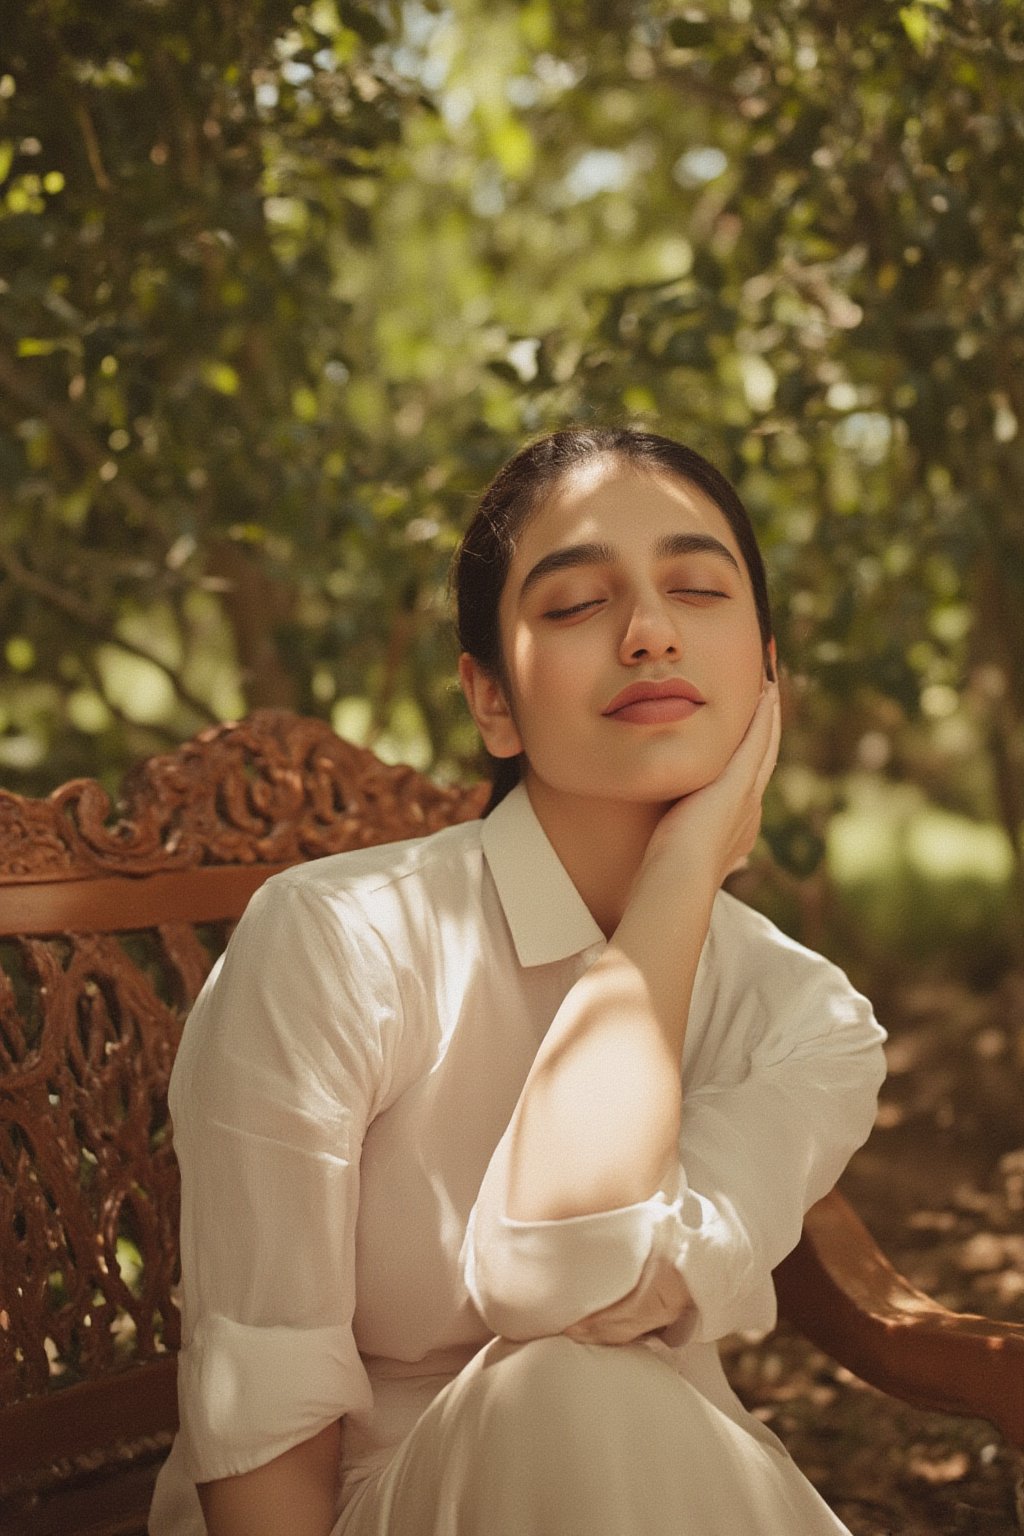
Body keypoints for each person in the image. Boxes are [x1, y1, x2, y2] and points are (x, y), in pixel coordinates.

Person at [149, 426, 887, 1536]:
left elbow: (565, 1276)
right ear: (491, 701)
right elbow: (262, 1401)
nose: (649, 633)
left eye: (696, 588)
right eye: (577, 605)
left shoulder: (808, 1021)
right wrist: (688, 865)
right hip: (357, 1506)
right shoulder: (337, 941)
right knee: (566, 1382)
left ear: (766, 673)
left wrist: (679, 880)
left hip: (648, 1488)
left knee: (584, 1385)